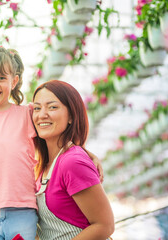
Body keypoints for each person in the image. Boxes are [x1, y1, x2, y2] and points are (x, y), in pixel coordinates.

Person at [0, 46, 103, 240]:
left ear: (14, 81)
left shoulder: (27, 114)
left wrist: (87, 154)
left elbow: (58, 138)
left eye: (1, 78)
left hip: (23, 211)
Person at [32, 80, 114, 240]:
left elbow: (105, 225)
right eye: (36, 108)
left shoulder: (72, 162)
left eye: (52, 107)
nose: (42, 114)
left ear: (71, 116)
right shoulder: (44, 166)